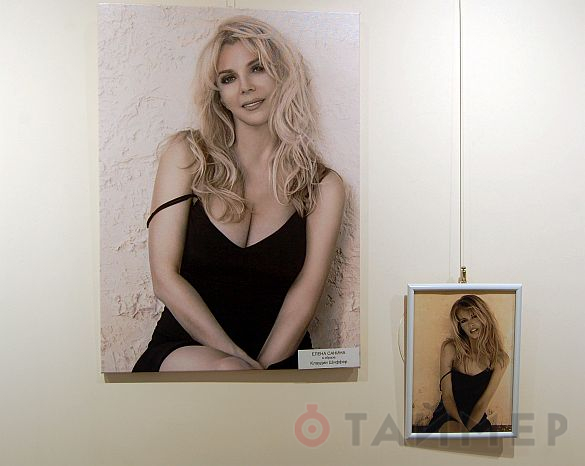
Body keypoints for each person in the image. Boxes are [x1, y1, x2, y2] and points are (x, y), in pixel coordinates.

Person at [132, 16, 345, 372]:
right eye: (228, 78)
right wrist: (240, 365)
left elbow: (305, 294)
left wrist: (263, 375)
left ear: (280, 75)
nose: (245, 87)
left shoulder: (323, 185)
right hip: (188, 350)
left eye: (257, 68)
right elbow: (165, 279)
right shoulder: (187, 156)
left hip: (279, 357)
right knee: (228, 370)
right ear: (218, 94)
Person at [424, 295, 510, 432]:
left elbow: (483, 402)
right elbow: (447, 396)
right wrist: (460, 429)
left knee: (482, 443)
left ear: (484, 317)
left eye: (474, 316)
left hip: (476, 418)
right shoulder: (450, 349)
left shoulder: (500, 359)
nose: (471, 324)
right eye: (464, 321)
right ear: (460, 327)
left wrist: (467, 431)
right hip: (449, 415)